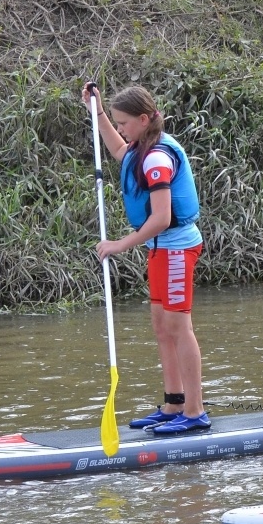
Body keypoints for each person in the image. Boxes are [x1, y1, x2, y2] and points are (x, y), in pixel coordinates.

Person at [82, 82, 210, 435]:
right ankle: (174, 404)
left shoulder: (156, 158)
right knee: (161, 327)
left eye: (124, 123)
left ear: (142, 119)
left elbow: (162, 218)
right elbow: (119, 149)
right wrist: (99, 114)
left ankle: (195, 413)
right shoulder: (141, 147)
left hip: (176, 249)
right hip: (159, 250)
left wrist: (119, 245)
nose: (121, 130)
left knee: (178, 328)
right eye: (118, 124)